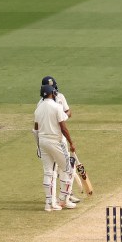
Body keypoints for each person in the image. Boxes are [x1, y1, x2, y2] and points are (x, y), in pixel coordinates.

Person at [39, 75, 81, 206]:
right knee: (66, 168)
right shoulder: (44, 105)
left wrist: (62, 116)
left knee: (55, 170)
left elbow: (68, 112)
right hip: (57, 139)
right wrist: (71, 142)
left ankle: (52, 201)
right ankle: (63, 199)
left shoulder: (44, 104)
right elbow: (62, 125)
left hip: (45, 140)